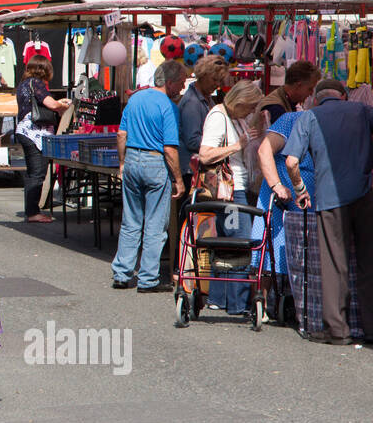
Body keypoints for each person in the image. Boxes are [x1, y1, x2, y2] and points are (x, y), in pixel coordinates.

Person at [283, 79, 373, 344]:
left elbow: (291, 162)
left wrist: (300, 189)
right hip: (367, 192)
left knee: (336, 264)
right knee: (371, 262)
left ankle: (338, 331)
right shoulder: (360, 110)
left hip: (329, 197)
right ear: (343, 96)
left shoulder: (309, 117)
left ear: (316, 97)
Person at [111, 60, 186, 292]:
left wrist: (122, 163)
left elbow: (121, 134)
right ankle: (147, 279)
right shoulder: (168, 107)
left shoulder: (135, 99)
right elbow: (170, 148)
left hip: (133, 158)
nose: (182, 89)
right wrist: (179, 179)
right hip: (155, 163)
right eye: (181, 84)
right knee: (155, 224)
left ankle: (122, 274)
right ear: (170, 83)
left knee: (131, 221)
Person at [196, 80, 262, 315]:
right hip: (231, 192)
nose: (251, 111)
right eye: (250, 107)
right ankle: (236, 303)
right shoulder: (218, 116)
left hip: (236, 190)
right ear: (240, 102)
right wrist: (238, 145)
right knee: (240, 243)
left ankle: (220, 298)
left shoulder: (234, 117)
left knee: (226, 243)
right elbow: (205, 155)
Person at [255, 109, 315, 289]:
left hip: (311, 200)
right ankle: (262, 305)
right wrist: (277, 185)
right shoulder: (291, 119)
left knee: (306, 254)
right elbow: (264, 151)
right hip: (281, 197)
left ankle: (297, 305)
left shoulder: (333, 124)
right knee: (267, 249)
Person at [14, 54, 73, 223]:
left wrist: (57, 102)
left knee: (34, 172)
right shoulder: (36, 83)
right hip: (33, 132)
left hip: (25, 131)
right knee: (37, 173)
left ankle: (32, 210)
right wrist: (63, 104)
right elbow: (52, 105)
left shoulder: (24, 84)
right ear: (43, 69)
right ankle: (32, 212)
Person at [177, 55, 228, 187]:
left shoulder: (206, 99)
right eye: (214, 80)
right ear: (203, 75)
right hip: (191, 171)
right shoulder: (192, 103)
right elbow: (192, 140)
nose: (217, 85)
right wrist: (219, 145)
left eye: (220, 81)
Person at [258, 60, 321, 127]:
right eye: (310, 89)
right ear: (298, 86)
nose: (311, 93)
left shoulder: (286, 100)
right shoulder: (275, 108)